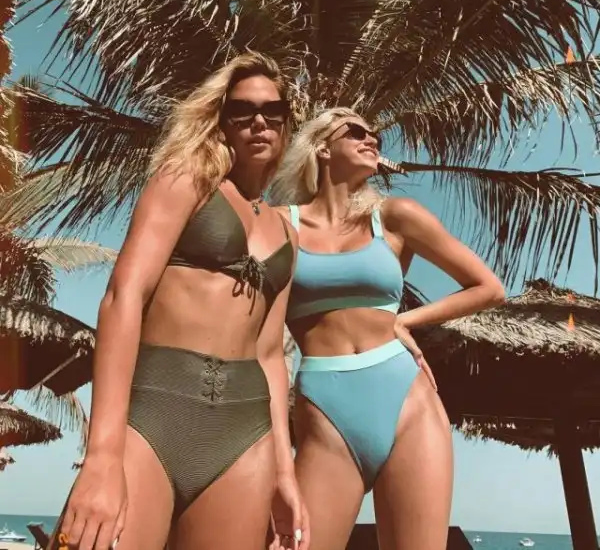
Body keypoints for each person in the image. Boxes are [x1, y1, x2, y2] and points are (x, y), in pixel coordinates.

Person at [59, 53, 308, 550]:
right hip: (155, 410)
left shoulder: (287, 233)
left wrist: (286, 471)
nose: (258, 121)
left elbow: (270, 355)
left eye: (272, 111)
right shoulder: (186, 179)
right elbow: (123, 298)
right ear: (222, 119)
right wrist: (102, 454)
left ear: (286, 122)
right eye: (242, 110)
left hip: (245, 431)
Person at [268, 107, 505, 550]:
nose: (371, 139)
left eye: (374, 134)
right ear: (322, 148)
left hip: (407, 402)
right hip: (325, 408)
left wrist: (404, 319)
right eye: (356, 131)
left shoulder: (394, 217)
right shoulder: (281, 224)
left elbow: (488, 288)